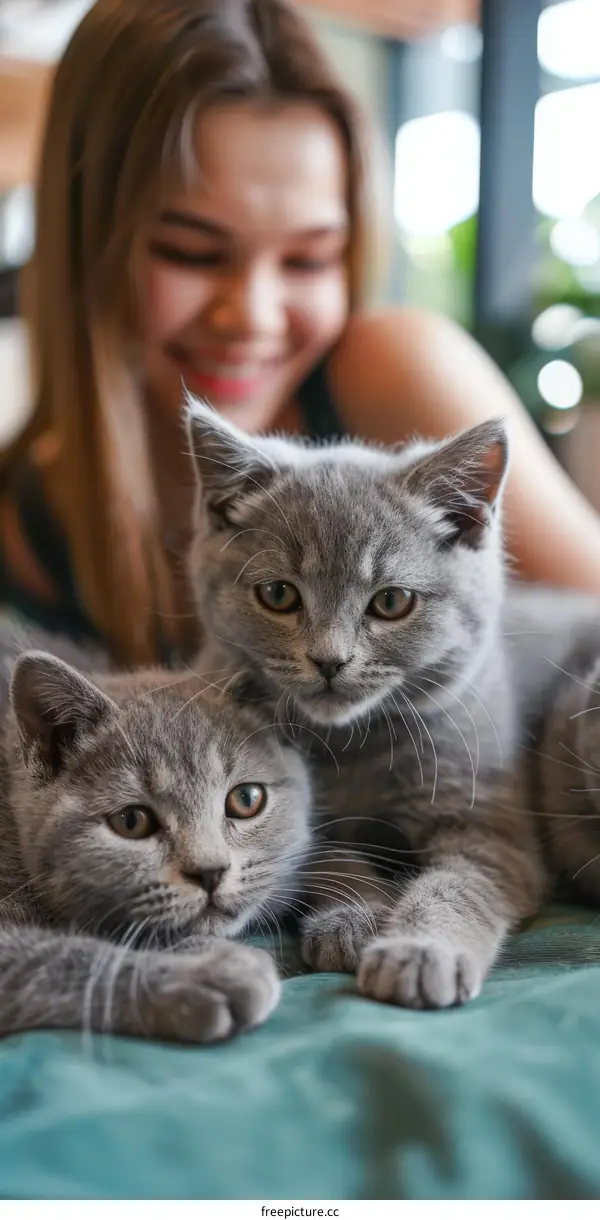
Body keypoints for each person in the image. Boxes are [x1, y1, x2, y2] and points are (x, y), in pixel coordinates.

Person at [2, 0, 600, 667]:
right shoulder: (21, 530)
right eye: (190, 252)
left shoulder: (391, 370)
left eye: (308, 259)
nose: (252, 315)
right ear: (79, 244)